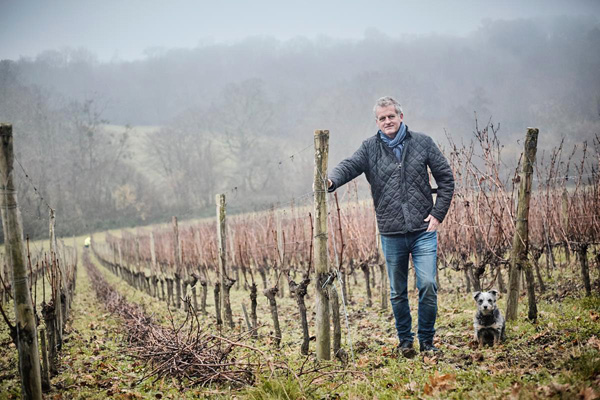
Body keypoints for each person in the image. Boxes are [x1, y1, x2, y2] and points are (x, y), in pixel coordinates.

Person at [327, 96, 454, 357]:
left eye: (391, 116)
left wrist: (438, 213)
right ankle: (405, 342)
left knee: (428, 285)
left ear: (401, 117)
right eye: (382, 118)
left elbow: (446, 180)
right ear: (377, 122)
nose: (387, 121)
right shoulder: (369, 148)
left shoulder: (422, 143)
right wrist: (330, 181)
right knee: (397, 293)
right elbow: (350, 165)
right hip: (391, 232)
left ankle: (427, 342)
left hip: (423, 231)